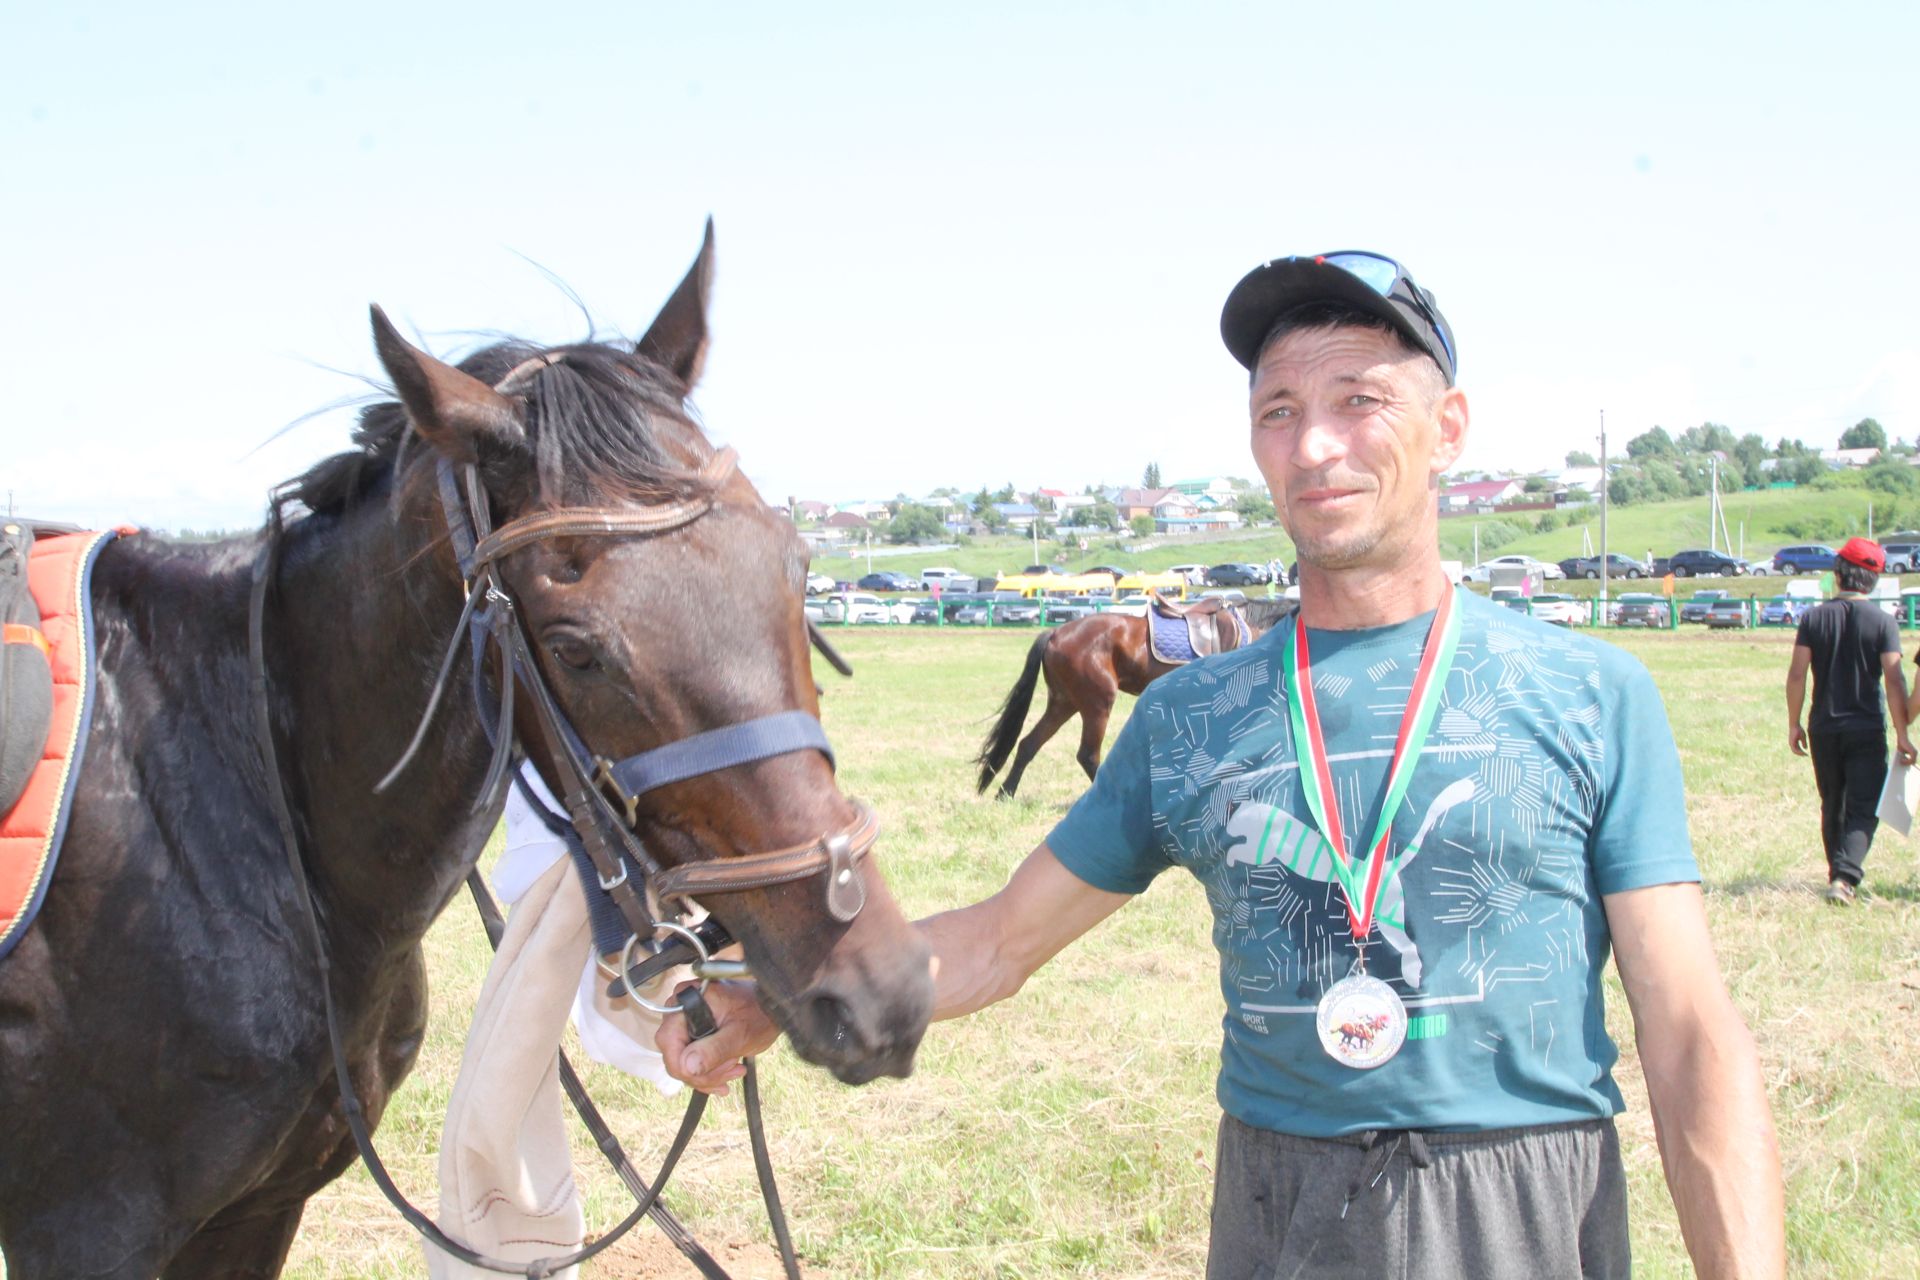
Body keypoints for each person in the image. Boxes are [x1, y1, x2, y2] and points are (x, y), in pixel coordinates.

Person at [660, 251, 1785, 1278]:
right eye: (1280, 411)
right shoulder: (1191, 716)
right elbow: (1001, 940)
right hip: (1280, 1205)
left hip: (1524, 1207)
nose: (1316, 445)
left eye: (1361, 401)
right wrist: (774, 997)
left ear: (1447, 430)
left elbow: (1686, 1026)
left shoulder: (1588, 693)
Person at [1785, 537, 1915, 905]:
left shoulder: (1813, 618)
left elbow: (1797, 674)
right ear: (1872, 581)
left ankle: (1837, 874)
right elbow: (1894, 679)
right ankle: (1844, 878)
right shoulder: (1883, 622)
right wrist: (1903, 733)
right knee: (1863, 805)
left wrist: (1794, 723)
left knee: (1832, 802)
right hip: (1867, 728)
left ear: (1838, 573)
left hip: (1824, 727)